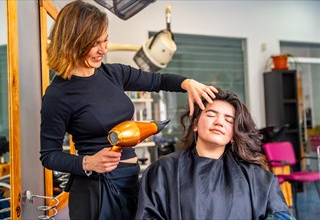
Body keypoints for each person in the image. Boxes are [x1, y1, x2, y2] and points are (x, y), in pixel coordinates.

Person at [39, 1, 218, 220]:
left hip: (129, 179)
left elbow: (158, 80)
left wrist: (187, 83)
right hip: (95, 188)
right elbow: (49, 155)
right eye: (95, 43)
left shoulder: (113, 74)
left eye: (105, 40)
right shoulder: (58, 94)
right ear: (75, 41)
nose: (103, 49)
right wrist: (87, 162)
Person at [136, 88, 295, 220]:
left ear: (234, 134)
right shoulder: (163, 170)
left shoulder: (257, 178)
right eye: (211, 115)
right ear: (196, 124)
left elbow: (280, 215)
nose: (219, 122)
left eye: (229, 120)